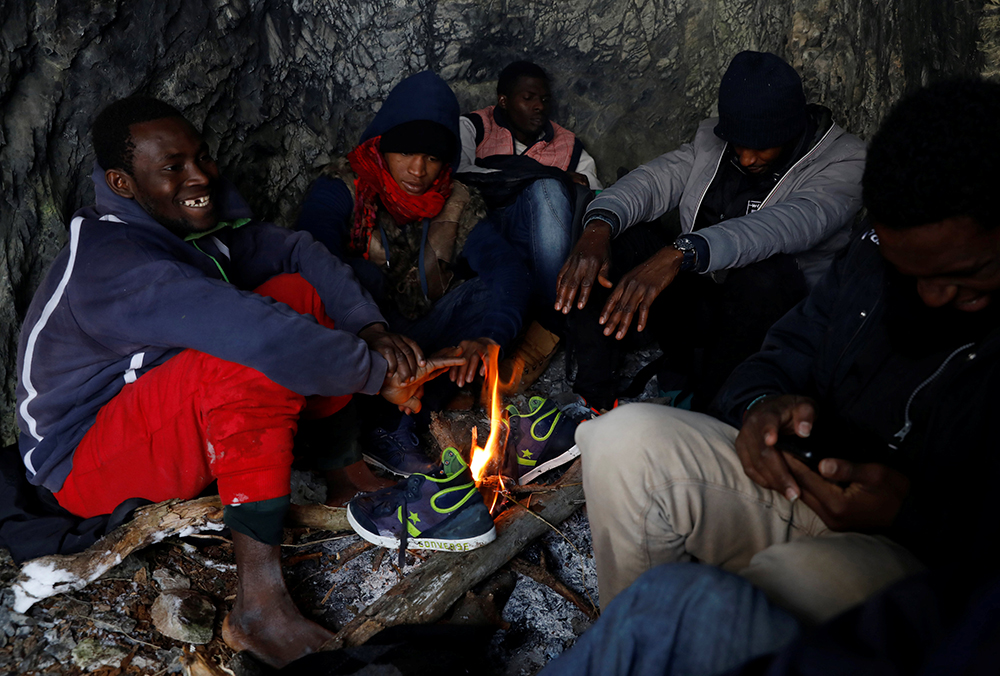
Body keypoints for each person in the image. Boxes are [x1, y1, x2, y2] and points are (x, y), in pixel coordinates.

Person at [15, 96, 463, 668]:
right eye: (172, 167)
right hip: (81, 464)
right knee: (247, 356)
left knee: (296, 296)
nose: (199, 176)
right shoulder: (113, 260)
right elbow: (258, 337)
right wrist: (378, 376)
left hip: (151, 411)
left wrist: (371, 331)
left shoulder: (184, 224)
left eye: (200, 157)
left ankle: (342, 472)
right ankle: (259, 605)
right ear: (122, 183)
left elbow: (300, 252)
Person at [576, 78, 1000, 625]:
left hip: (922, 553)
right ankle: (632, 641)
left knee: (780, 587)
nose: (932, 295)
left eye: (966, 275)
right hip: (803, 481)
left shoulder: (843, 165)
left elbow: (785, 225)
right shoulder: (877, 254)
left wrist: (911, 515)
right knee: (622, 438)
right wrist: (760, 406)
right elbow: (790, 345)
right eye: (910, 272)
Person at [556, 51, 865, 410]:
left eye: (761, 147)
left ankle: (710, 413)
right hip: (705, 302)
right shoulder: (713, 142)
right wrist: (597, 228)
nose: (747, 159)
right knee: (614, 242)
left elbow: (787, 225)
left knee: (765, 275)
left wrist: (681, 251)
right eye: (740, 145)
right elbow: (654, 180)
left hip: (771, 320)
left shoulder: (844, 161)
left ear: (792, 129)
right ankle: (591, 400)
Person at [297, 71, 531, 476]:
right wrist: (372, 332)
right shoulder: (340, 188)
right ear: (382, 145)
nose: (418, 170)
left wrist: (490, 338)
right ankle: (378, 423)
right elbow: (316, 265)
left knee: (488, 294)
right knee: (350, 279)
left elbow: (505, 268)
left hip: (424, 334)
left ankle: (415, 406)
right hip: (362, 342)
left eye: (433, 157)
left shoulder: (455, 199)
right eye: (405, 152)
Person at [458, 60, 602, 306]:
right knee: (548, 180)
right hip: (486, 226)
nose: (539, 107)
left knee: (548, 187)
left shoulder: (567, 144)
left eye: (545, 100)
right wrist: (546, 173)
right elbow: (460, 172)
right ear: (503, 101)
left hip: (544, 239)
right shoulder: (475, 127)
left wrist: (554, 181)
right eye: (528, 98)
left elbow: (594, 192)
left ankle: (552, 306)